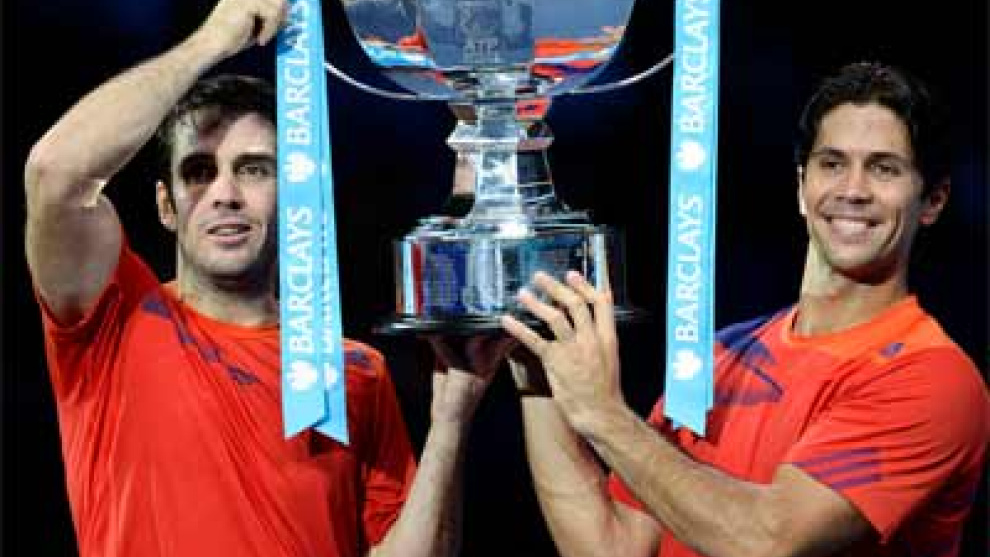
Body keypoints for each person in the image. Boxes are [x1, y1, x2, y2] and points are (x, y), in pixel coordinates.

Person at [22, 0, 510, 556]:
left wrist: (450, 416)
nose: (225, 194)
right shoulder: (113, 323)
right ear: (165, 205)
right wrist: (210, 41)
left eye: (253, 169)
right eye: (199, 172)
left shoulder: (352, 372)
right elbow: (54, 173)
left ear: (295, 192)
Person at [499, 61, 990, 557]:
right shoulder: (721, 355)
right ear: (801, 187)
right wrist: (540, 373)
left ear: (933, 200)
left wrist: (603, 414)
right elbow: (611, 549)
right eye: (832, 164)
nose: (852, 190)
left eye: (884, 168)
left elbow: (769, 540)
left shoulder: (934, 380)